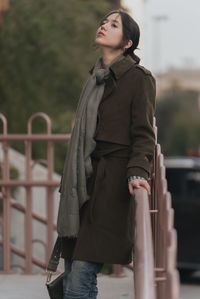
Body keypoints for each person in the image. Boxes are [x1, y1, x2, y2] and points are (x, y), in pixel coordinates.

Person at [56, 9, 156, 299]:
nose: (104, 26)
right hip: (82, 185)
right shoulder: (95, 79)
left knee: (80, 279)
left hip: (112, 186)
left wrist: (139, 170)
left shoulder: (139, 79)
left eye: (114, 25)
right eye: (104, 22)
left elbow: (144, 134)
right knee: (74, 272)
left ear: (127, 42)